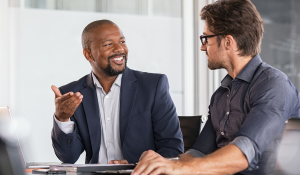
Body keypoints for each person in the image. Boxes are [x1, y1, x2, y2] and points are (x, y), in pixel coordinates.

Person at [132, 0, 300, 174]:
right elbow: (197, 154)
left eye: (206, 38)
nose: (202, 46)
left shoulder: (273, 85)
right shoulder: (220, 95)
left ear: (228, 42)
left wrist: (179, 168)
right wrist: (154, 164)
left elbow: (243, 153)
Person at [51, 20, 184, 164]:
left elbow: (172, 149)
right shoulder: (72, 94)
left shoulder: (153, 86)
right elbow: (68, 157)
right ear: (88, 54)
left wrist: (137, 166)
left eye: (122, 41)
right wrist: (62, 119)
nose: (119, 48)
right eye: (108, 44)